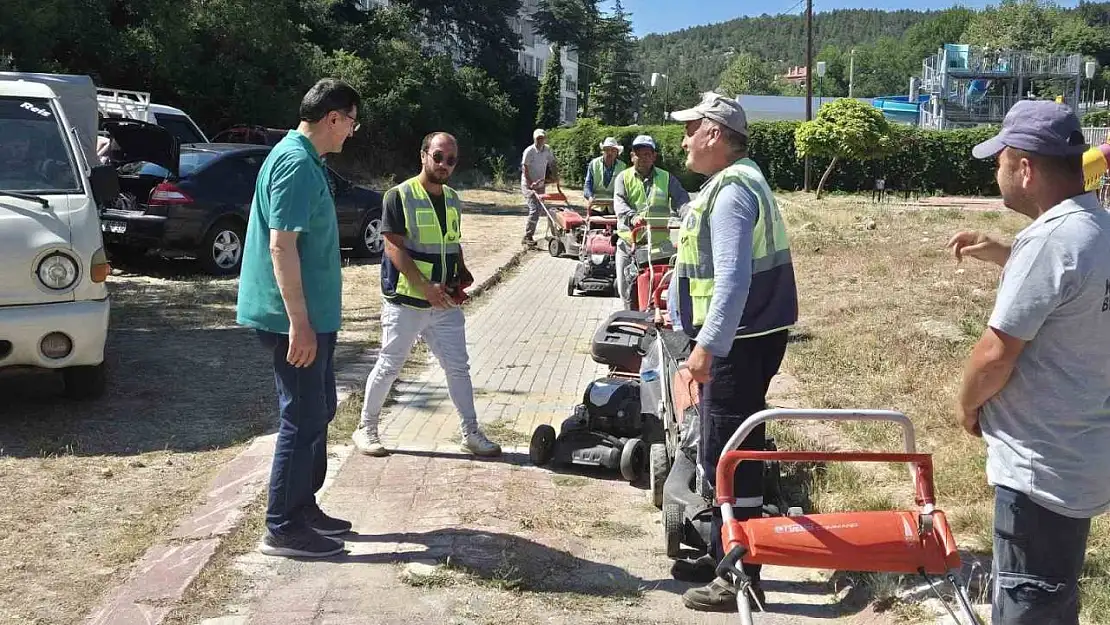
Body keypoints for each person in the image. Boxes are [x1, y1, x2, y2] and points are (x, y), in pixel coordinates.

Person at [948, 100, 1110, 625]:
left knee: (1029, 602)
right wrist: (1007, 252)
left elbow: (995, 355)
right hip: (1077, 455)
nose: (996, 172)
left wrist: (968, 406)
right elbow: (1072, 289)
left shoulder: (1049, 241)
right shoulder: (1096, 227)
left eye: (1000, 160)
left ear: (1025, 167)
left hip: (1036, 470)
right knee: (1054, 595)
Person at [664, 92, 799, 612]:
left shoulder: (733, 192)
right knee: (731, 448)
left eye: (691, 129)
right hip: (748, 338)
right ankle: (726, 551)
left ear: (715, 134)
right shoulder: (737, 182)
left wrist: (706, 347)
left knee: (730, 456)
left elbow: (732, 280)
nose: (684, 139)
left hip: (737, 343)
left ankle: (741, 574)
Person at [236, 78, 362, 558]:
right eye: (351, 122)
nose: (352, 132)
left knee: (319, 408)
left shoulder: (306, 160)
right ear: (333, 117)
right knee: (302, 415)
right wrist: (300, 323)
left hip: (313, 316)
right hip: (293, 320)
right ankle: (282, 526)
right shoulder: (293, 162)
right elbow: (281, 246)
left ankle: (303, 506)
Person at [351, 132, 502, 459]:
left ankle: (470, 433)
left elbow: (451, 242)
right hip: (406, 302)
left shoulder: (452, 199)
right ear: (423, 155)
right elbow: (393, 247)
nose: (444, 164)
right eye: (438, 157)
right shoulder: (398, 196)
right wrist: (425, 288)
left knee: (458, 368)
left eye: (450, 160)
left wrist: (459, 275)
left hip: (444, 304)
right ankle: (366, 427)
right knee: (390, 365)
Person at [613, 134, 690, 307]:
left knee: (659, 291)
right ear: (632, 156)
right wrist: (632, 217)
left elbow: (682, 201)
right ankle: (632, 321)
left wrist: (690, 217)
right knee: (627, 293)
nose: (643, 158)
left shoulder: (667, 178)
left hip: (659, 249)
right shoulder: (623, 178)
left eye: (648, 154)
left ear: (654, 156)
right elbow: (619, 203)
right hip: (629, 246)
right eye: (639, 154)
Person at [520, 128, 559, 247]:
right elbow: (525, 168)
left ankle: (555, 233)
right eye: (538, 138)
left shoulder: (547, 149)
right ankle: (527, 236)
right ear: (534, 139)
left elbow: (552, 163)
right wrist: (530, 183)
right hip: (529, 185)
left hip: (540, 183)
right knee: (534, 209)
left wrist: (555, 176)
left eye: (542, 138)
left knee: (542, 209)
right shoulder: (529, 151)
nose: (540, 140)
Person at [582, 136, 627, 214]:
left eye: (613, 150)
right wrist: (590, 197)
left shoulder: (622, 166)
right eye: (607, 150)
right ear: (603, 151)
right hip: (596, 206)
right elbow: (587, 185)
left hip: (614, 207)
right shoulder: (594, 164)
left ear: (617, 153)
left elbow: (625, 188)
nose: (609, 153)